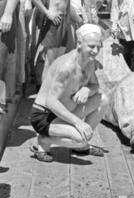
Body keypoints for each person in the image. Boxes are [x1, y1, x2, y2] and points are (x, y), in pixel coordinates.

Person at [30, 23, 106, 162]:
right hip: (45, 116)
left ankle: (80, 145)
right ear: (79, 44)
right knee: (81, 138)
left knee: (103, 100)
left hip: (65, 112)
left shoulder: (89, 61)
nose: (95, 51)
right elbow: (51, 102)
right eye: (91, 46)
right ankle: (44, 141)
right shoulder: (66, 68)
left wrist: (86, 89)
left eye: (98, 47)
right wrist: (78, 122)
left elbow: (95, 85)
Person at [32, 0, 71, 81]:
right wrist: (47, 12)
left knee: (59, 61)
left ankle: (52, 90)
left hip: (63, 20)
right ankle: (44, 92)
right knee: (49, 62)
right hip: (53, 22)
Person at [110, 0, 134, 71]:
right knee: (125, 54)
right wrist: (114, 26)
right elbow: (115, 8)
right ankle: (127, 76)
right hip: (124, 27)